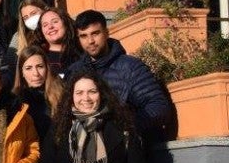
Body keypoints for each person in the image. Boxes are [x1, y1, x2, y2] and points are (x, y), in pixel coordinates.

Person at [65, 10, 174, 145]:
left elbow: (158, 108)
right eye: (84, 36)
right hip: (85, 148)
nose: (90, 41)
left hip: (125, 148)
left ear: (106, 32)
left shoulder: (131, 67)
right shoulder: (75, 71)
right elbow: (64, 112)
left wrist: (121, 128)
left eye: (95, 33)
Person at [39, 68, 149, 163]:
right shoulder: (59, 128)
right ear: (71, 96)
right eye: (79, 93)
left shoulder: (122, 126)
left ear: (101, 93)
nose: (86, 98)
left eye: (92, 91)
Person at [13, 44, 63, 140]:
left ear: (47, 68)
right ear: (21, 72)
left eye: (40, 66)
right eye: (29, 68)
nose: (36, 73)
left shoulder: (61, 93)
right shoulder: (15, 101)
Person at [36, 9, 79, 79]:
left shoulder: (81, 51)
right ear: (41, 31)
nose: (50, 27)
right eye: (45, 25)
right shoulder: (39, 57)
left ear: (66, 23)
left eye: (55, 21)